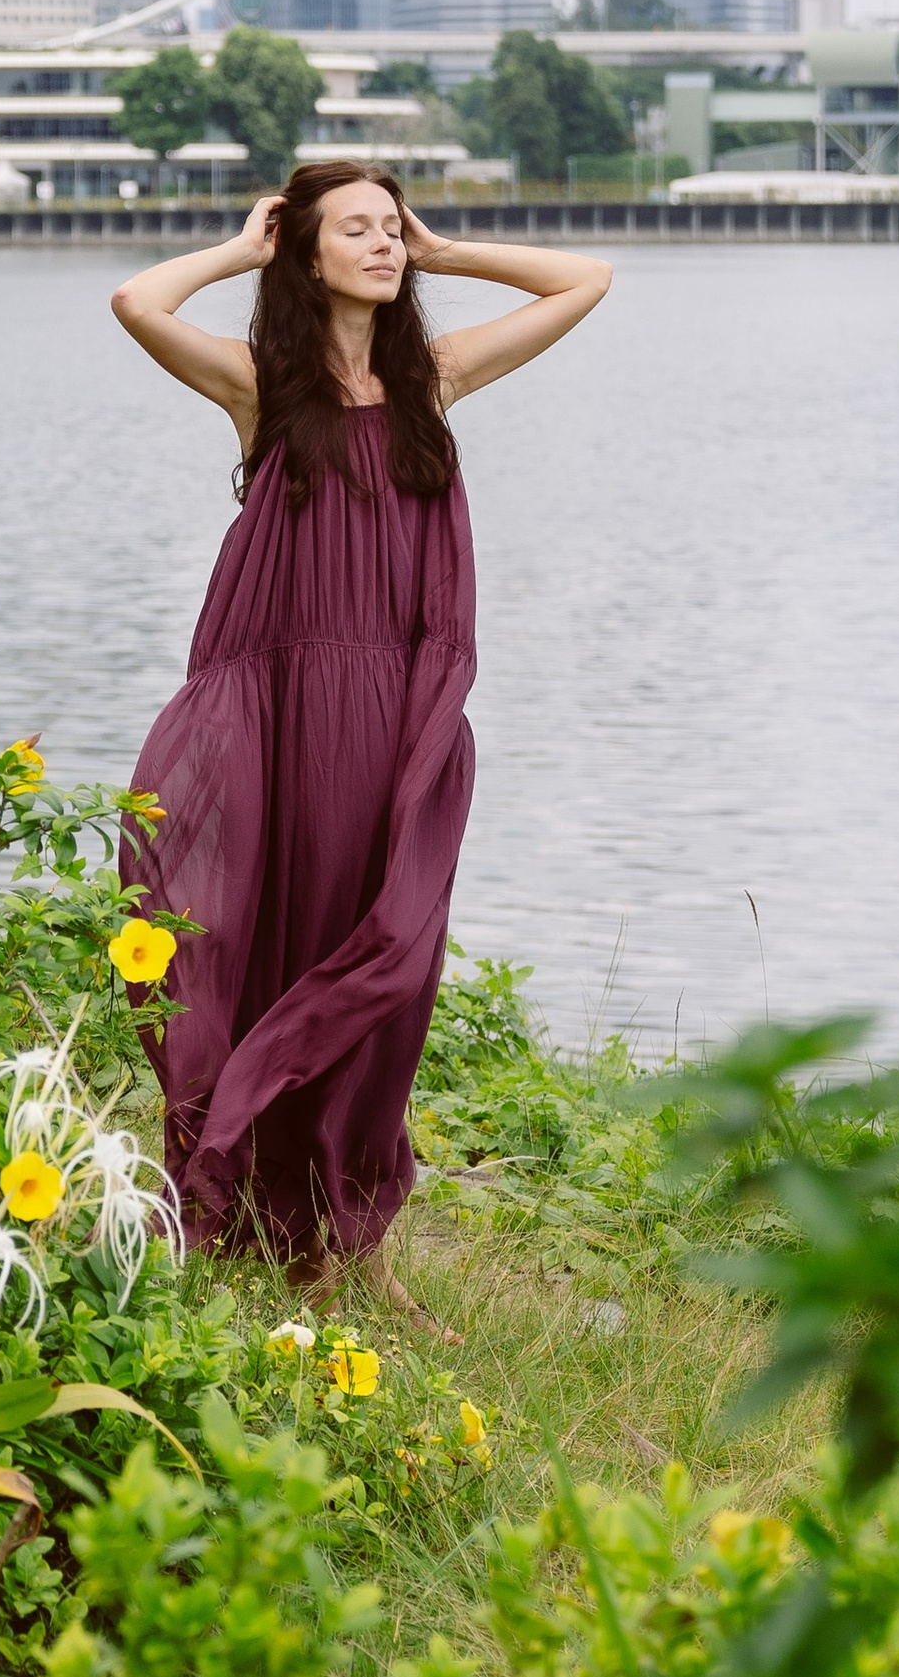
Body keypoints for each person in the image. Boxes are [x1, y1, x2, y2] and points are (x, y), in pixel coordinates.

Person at [109, 160, 611, 1296]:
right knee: (286, 949)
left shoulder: (432, 378)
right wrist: (244, 249)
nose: (384, 245)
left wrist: (448, 253)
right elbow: (138, 303)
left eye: (392, 228)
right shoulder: (261, 390)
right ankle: (284, 1243)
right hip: (287, 725)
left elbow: (585, 279)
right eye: (360, 230)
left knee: (390, 971)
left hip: (399, 718)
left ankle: (356, 1245)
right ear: (308, 250)